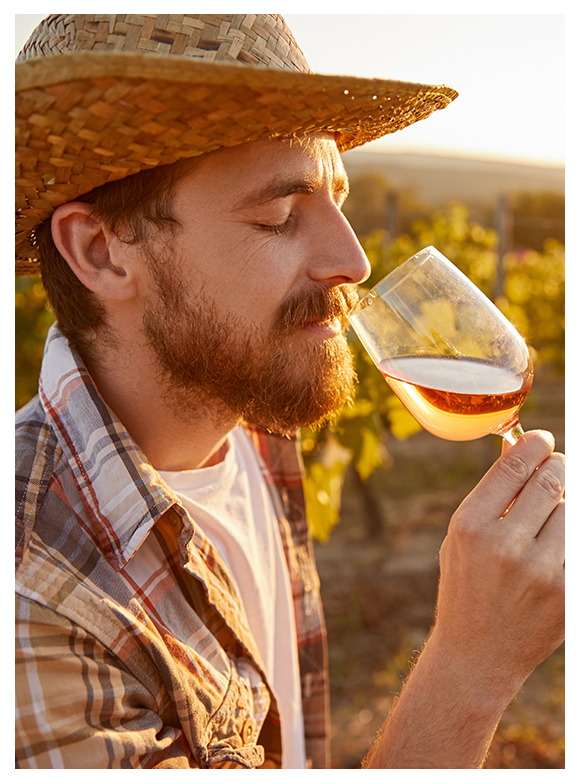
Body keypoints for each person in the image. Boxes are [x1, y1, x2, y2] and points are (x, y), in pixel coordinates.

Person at [15, 14, 564, 769]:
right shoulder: (32, 603)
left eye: (339, 198)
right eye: (278, 216)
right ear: (102, 252)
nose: (355, 260)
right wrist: (472, 667)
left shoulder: (255, 417)